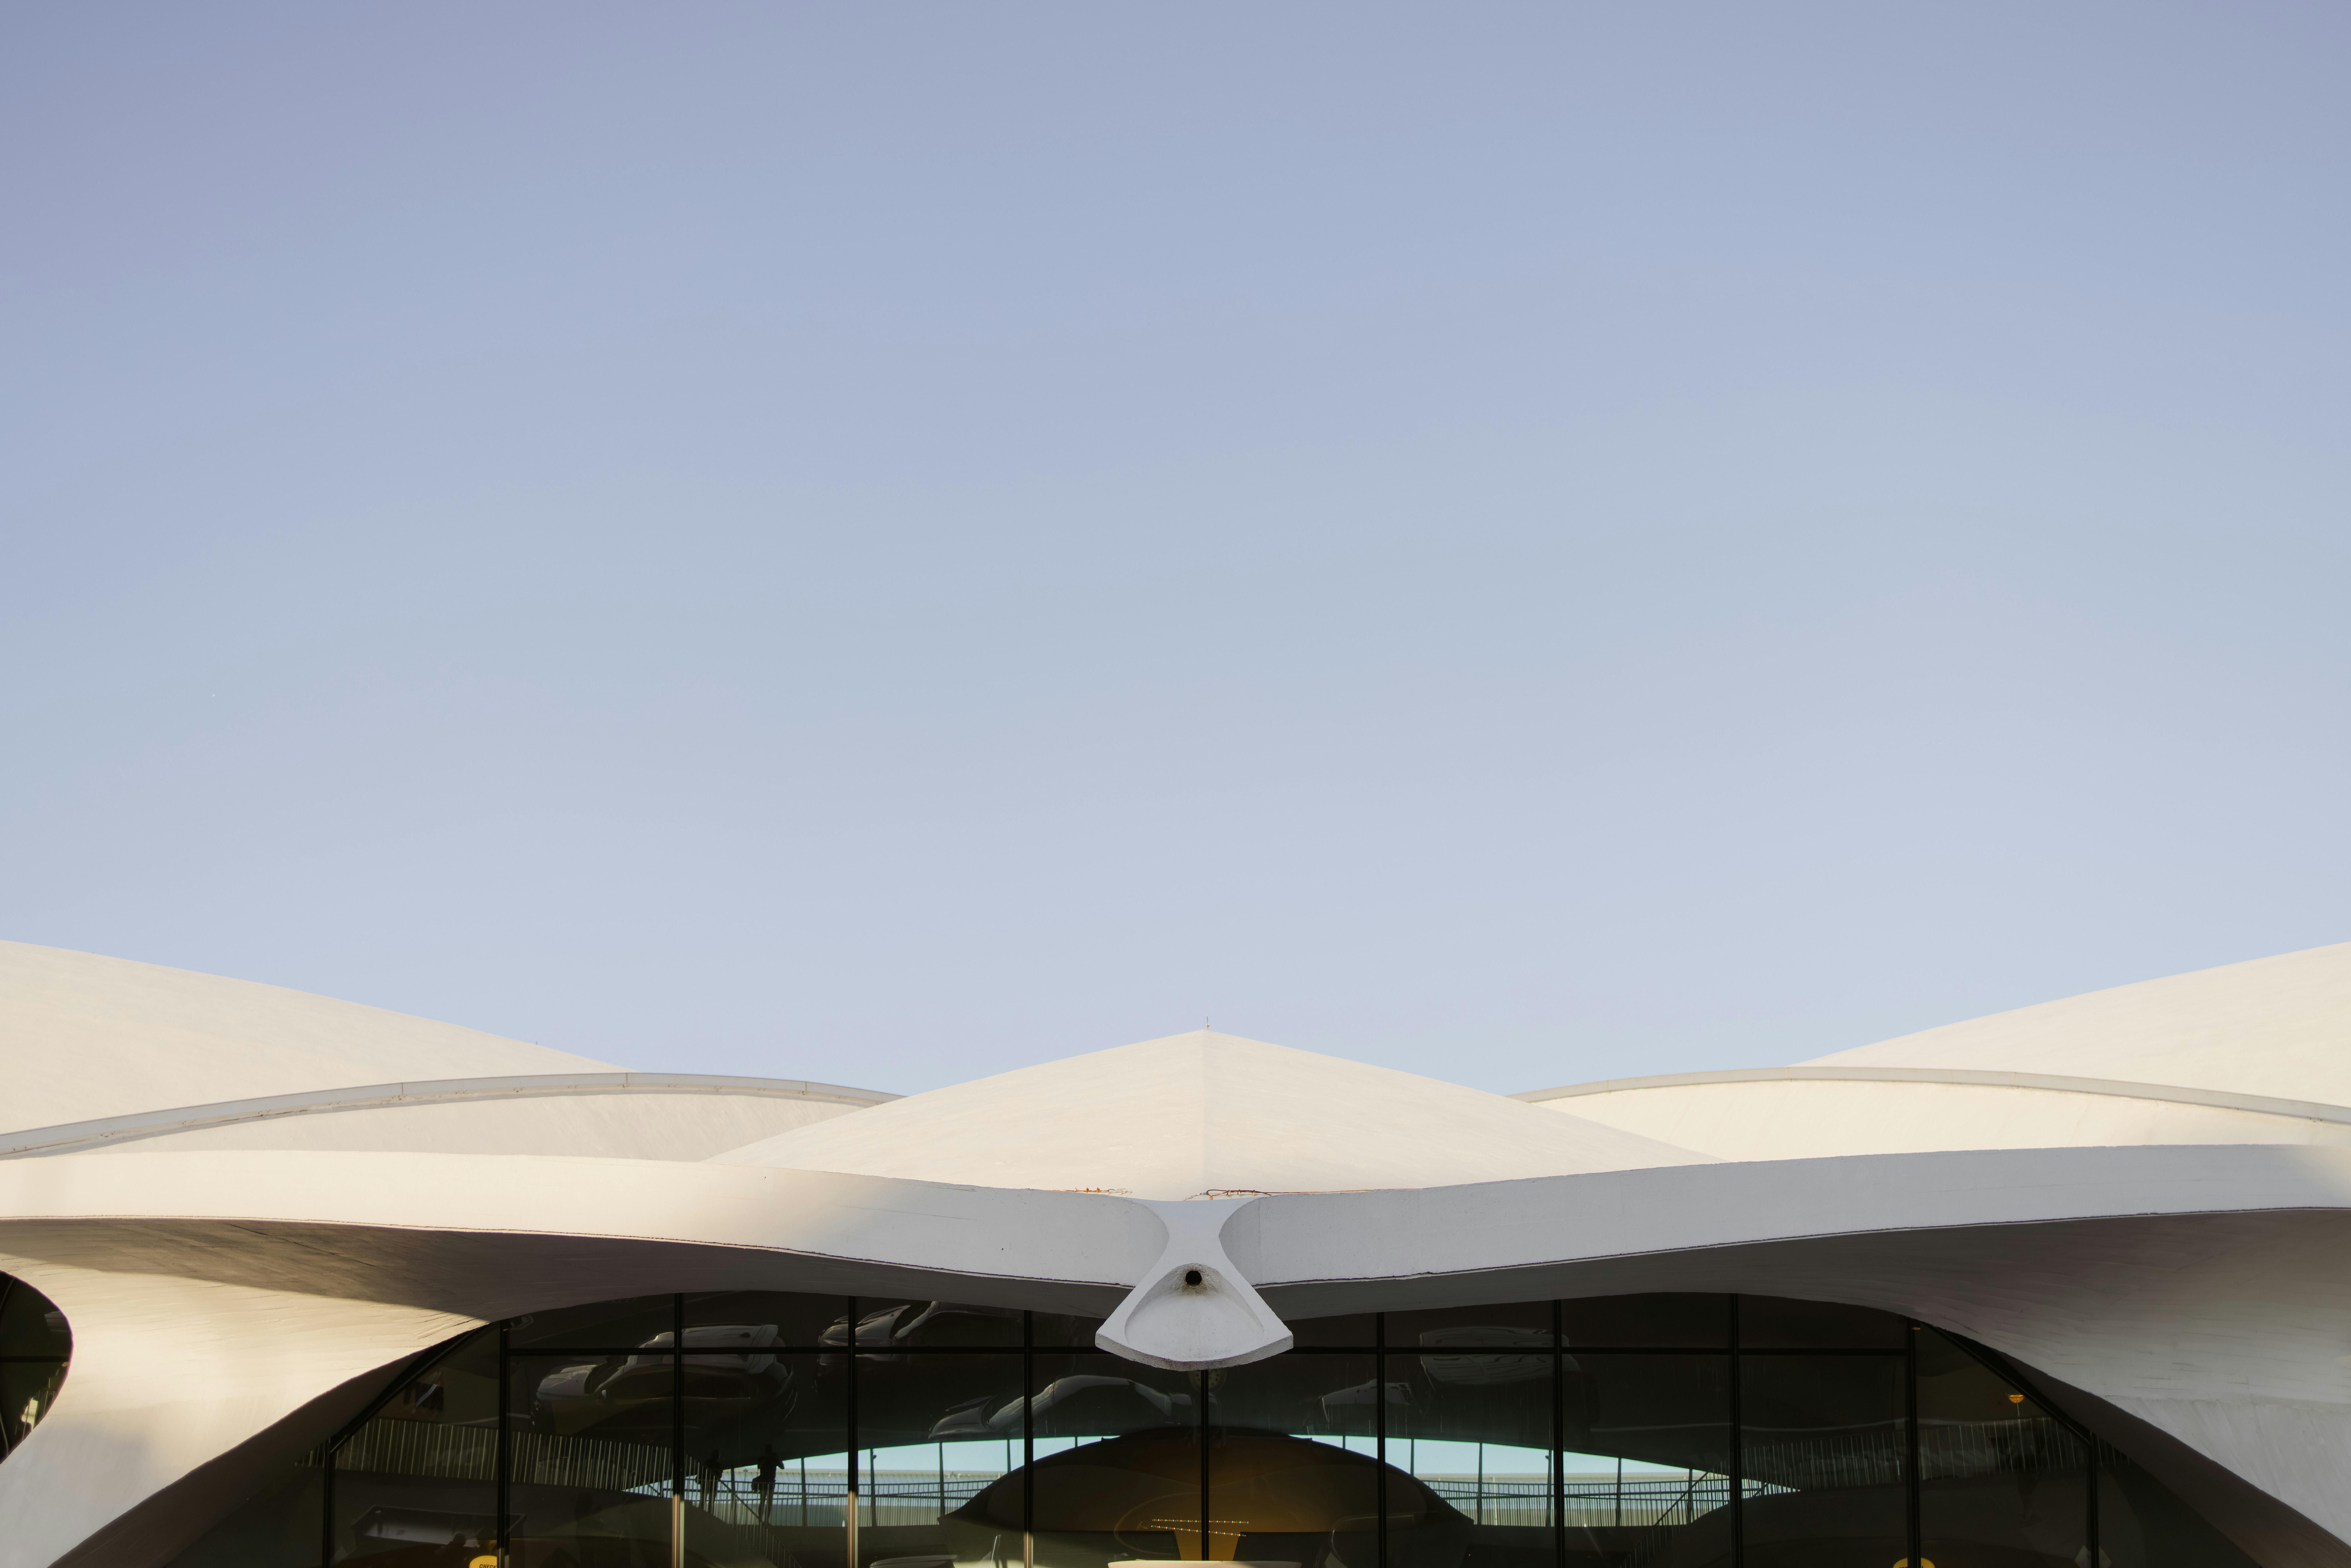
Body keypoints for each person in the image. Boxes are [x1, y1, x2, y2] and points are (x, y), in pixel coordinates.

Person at [753, 1443, 780, 1524]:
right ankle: (761, 1520)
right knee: (763, 1501)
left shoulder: (774, 1459)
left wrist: (777, 1458)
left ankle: (765, 1520)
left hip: (770, 1482)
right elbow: (759, 1466)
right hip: (765, 1482)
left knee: (768, 1503)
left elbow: (782, 1466)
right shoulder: (763, 1458)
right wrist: (767, 1458)